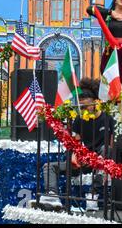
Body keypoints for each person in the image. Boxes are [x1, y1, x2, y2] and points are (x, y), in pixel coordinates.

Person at [40, 78, 115, 211]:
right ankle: (52, 195)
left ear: (96, 102)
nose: (82, 110)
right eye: (80, 107)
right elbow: (76, 142)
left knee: (106, 149)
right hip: (83, 161)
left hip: (101, 162)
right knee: (49, 167)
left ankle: (95, 194)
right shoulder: (79, 119)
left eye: (85, 106)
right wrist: (76, 155)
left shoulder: (107, 117)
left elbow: (113, 144)